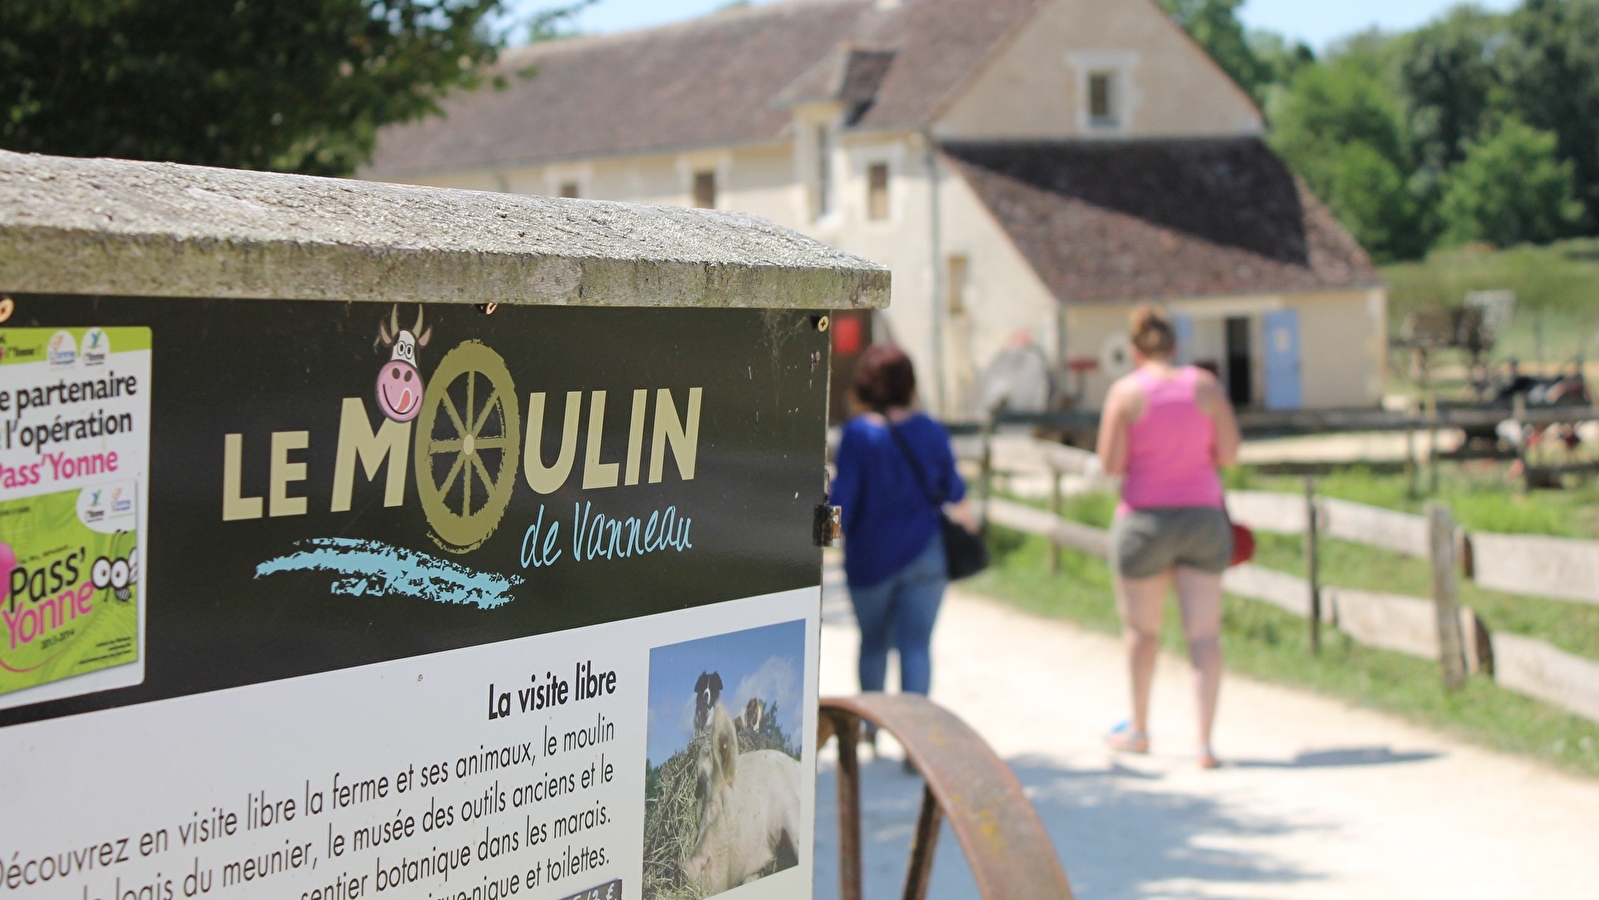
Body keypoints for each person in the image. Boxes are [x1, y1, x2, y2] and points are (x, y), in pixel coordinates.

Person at [1096, 305, 1241, 769]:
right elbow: (1230, 453)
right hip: (1202, 516)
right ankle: (1204, 743)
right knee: (1204, 635)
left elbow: (1111, 463)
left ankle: (1139, 728)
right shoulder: (1205, 385)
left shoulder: (1125, 393)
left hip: (1144, 520)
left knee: (1143, 633)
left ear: (1135, 350)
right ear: (1175, 345)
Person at [832, 344, 971, 708]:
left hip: (870, 559)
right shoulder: (931, 430)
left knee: (873, 644)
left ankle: (868, 725)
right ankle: (915, 742)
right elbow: (954, 489)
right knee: (916, 646)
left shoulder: (858, 435)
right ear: (910, 382)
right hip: (925, 554)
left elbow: (841, 502)